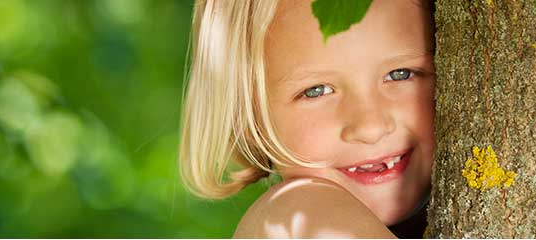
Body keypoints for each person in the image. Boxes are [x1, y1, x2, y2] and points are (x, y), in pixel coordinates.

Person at [179, 0, 436, 238]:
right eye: (316, 91)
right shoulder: (298, 212)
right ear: (248, 116)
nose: (370, 128)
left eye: (400, 74)